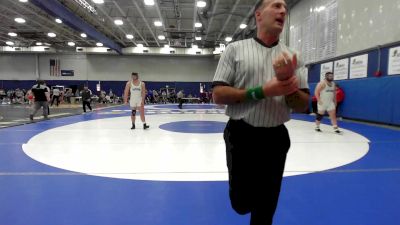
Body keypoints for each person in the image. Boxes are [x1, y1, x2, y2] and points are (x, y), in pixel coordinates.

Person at [212, 1, 310, 224]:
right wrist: (262, 91)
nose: (283, 11)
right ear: (258, 15)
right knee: (241, 203)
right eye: (276, 6)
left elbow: (303, 105)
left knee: (265, 210)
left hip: (275, 139)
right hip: (241, 135)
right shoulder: (235, 49)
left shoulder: (293, 56)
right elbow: (218, 95)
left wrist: (287, 82)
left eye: (285, 7)